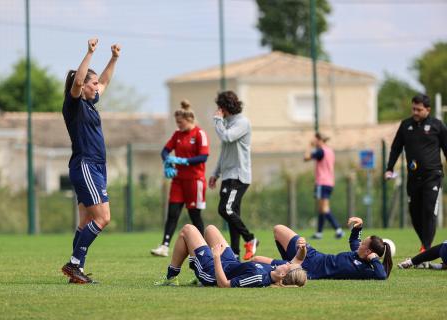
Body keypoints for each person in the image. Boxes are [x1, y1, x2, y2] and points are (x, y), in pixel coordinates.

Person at [60, 38, 120, 284]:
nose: (97, 87)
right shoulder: (73, 104)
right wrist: (89, 53)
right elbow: (77, 80)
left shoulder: (90, 102)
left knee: (86, 220)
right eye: (91, 83)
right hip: (85, 165)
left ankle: (77, 271)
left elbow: (104, 81)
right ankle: (74, 264)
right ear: (82, 86)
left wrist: (114, 58)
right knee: (102, 218)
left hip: (95, 165)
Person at [385, 94, 447, 252]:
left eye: (419, 109)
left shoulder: (437, 125)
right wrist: (390, 168)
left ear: (428, 109)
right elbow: (396, 148)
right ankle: (425, 246)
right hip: (413, 178)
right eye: (413, 109)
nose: (415, 112)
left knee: (428, 210)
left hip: (433, 176)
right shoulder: (406, 125)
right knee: (415, 214)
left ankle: (425, 248)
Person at [154, 224, 307, 288]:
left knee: (187, 230)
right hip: (229, 262)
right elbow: (298, 260)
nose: (288, 262)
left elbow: (224, 284)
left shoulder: (259, 277)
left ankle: (171, 277)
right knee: (211, 229)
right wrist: (302, 247)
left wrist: (215, 257)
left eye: (288, 265)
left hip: (213, 270)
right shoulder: (276, 271)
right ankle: (197, 269)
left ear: (282, 274)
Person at [151, 100, 209, 257]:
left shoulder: (199, 134)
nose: (179, 125)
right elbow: (165, 151)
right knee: (172, 213)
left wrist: (184, 161)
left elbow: (203, 157)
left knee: (194, 215)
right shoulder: (177, 134)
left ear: (189, 119)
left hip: (195, 180)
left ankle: (203, 247)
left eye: (180, 122)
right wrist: (167, 163)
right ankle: (164, 246)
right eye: (177, 122)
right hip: (178, 180)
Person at [253, 217, 392, 280]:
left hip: (306, 269)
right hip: (313, 255)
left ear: (369, 252)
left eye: (363, 244)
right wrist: (359, 226)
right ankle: (288, 261)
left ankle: (288, 266)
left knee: (256, 260)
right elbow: (354, 240)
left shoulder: (364, 270)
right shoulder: (357, 253)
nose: (360, 244)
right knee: (278, 229)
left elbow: (381, 276)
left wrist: (374, 260)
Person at [208, 91, 258, 261]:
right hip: (228, 175)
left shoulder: (242, 122)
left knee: (225, 209)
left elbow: (227, 137)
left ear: (225, 107)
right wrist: (216, 173)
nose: (218, 111)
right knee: (232, 214)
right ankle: (235, 253)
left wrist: (217, 120)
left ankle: (250, 238)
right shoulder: (227, 123)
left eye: (220, 107)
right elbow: (225, 150)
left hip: (239, 175)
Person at [304, 132, 344, 239]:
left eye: (315, 140)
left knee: (324, 208)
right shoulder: (330, 151)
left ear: (319, 140)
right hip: (330, 182)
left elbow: (306, 157)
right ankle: (319, 233)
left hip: (322, 182)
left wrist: (309, 146)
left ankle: (338, 229)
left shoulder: (320, 151)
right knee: (321, 209)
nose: (314, 142)